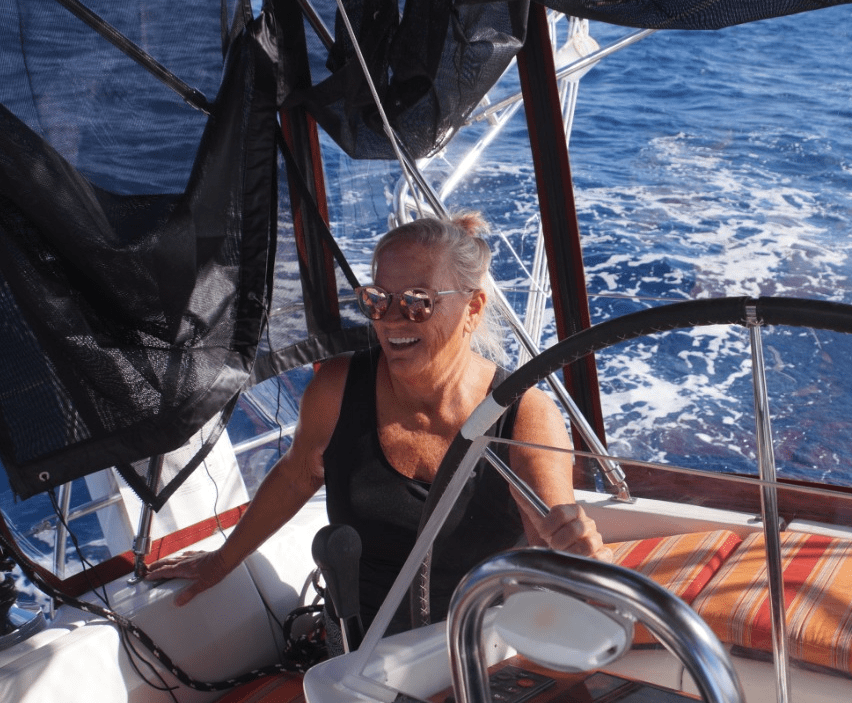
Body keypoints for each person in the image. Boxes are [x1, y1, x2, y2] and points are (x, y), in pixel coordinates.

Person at [146, 212, 609, 632]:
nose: (390, 319)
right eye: (377, 299)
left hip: (481, 645)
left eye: (417, 302)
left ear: (472, 308)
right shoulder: (338, 389)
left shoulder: (525, 414)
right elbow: (297, 474)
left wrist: (574, 547)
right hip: (359, 651)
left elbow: (549, 531)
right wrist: (221, 562)